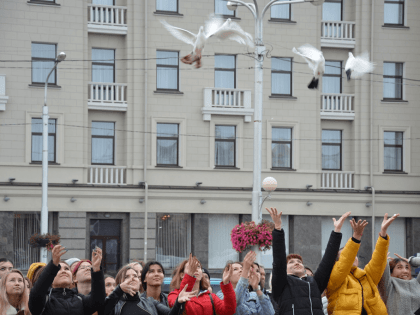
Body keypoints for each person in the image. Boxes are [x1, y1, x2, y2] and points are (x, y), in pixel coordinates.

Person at [267, 207, 349, 315]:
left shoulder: (314, 282)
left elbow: (327, 262)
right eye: (291, 262)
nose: (297, 263)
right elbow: (279, 260)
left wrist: (336, 232)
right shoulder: (282, 284)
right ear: (284, 269)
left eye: (299, 262)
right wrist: (277, 228)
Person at [326, 213, 399, 315]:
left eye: (355, 255)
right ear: (337, 261)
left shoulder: (366, 276)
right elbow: (345, 262)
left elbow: (377, 262)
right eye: (348, 255)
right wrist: (356, 236)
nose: (353, 257)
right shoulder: (334, 278)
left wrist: (383, 233)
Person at [28, 245, 105, 315]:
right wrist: (53, 264)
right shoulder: (46, 300)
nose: (63, 271)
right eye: (58, 269)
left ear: (72, 279)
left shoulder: (80, 299)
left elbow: (98, 301)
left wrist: (96, 269)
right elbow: (36, 293)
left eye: (67, 268)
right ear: (51, 279)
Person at [104, 265, 195, 315]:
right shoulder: (115, 305)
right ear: (120, 282)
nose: (132, 278)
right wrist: (119, 289)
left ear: (139, 282)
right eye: (127, 277)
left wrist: (178, 302)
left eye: (135, 276)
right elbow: (103, 310)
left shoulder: (150, 302)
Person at [169, 254, 236, 315]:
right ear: (182, 275)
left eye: (198, 267)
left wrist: (226, 283)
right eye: (191, 267)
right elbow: (179, 307)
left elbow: (229, 311)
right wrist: (190, 277)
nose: (195, 269)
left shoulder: (211, 297)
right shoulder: (173, 295)